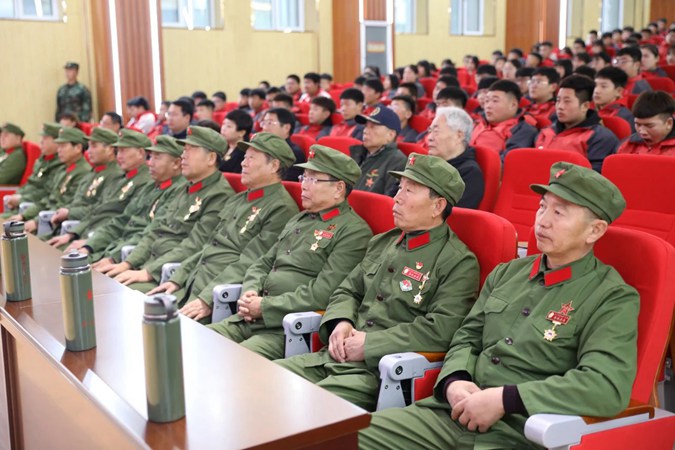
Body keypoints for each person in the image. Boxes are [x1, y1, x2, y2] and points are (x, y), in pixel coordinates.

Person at [359, 161, 637, 450]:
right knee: (339, 437)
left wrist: (506, 399)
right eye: (542, 207)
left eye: (559, 213)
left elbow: (605, 386)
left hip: (520, 431)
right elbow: (467, 337)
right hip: (449, 416)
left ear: (595, 230)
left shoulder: (611, 297)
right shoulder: (508, 273)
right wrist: (455, 380)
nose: (542, 221)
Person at [276, 153, 479, 412]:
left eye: (409, 191)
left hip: (377, 373)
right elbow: (348, 290)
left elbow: (440, 329)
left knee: (302, 408)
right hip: (331, 357)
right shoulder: (383, 242)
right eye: (399, 188)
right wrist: (341, 321)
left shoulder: (457, 261)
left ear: (437, 206)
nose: (397, 198)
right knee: (263, 381)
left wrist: (371, 344)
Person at [200, 147, 373, 355]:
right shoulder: (299, 219)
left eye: (313, 179)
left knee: (234, 359)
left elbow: (322, 294)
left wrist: (265, 306)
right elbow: (263, 262)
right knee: (197, 342)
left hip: (285, 328)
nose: (303, 185)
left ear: (338, 188)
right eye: (303, 177)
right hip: (250, 317)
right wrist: (250, 291)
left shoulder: (353, 232)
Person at [146, 133, 300, 316]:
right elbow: (208, 245)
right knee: (145, 311)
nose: (243, 163)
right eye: (244, 157)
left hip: (219, 297)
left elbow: (251, 261)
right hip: (191, 284)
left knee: (162, 324)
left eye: (251, 158)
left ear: (274, 166)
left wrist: (207, 299)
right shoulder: (238, 199)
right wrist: (178, 278)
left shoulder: (281, 208)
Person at [96, 126, 235, 288]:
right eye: (184, 149)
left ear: (211, 158)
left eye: (191, 149)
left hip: (171, 274)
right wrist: (128, 263)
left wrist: (148, 271)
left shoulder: (219, 195)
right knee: (102, 281)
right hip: (150, 263)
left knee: (113, 290)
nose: (183, 155)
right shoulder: (184, 188)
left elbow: (194, 245)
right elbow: (155, 230)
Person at [74, 136, 187, 262]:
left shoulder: (178, 191)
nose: (150, 163)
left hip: (135, 255)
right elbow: (121, 220)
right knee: (73, 260)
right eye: (150, 157)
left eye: (157, 157)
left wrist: (112, 257)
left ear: (176, 163)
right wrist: (89, 246)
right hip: (117, 246)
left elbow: (152, 233)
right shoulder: (151, 186)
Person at [47, 129, 153, 246]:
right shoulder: (121, 179)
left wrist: (90, 243)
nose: (119, 156)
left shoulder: (144, 182)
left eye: (123, 150)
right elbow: (97, 210)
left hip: (105, 242)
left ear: (140, 153)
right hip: (89, 234)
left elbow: (122, 221)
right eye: (118, 151)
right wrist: (72, 234)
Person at [46, 127, 124, 239]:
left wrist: (70, 213)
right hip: (71, 227)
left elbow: (101, 210)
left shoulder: (115, 176)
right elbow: (77, 202)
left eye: (94, 146)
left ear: (110, 150)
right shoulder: (93, 173)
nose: (88, 151)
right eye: (89, 146)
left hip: (88, 232)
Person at [11, 127, 90, 233]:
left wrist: (36, 221)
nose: (59, 150)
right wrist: (24, 216)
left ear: (78, 148)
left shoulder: (83, 173)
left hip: (58, 225)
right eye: (58, 146)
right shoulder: (63, 170)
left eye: (63, 146)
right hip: (45, 218)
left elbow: (65, 204)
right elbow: (48, 200)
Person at [535, 75, 619, 172]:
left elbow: (594, 176)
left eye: (567, 101)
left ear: (585, 106)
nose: (560, 107)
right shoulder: (546, 131)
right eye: (558, 100)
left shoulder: (600, 137)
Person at [428, 107, 484, 209]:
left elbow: (445, 214)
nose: (429, 138)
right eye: (430, 131)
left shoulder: (469, 173)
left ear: (458, 136)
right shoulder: (428, 163)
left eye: (436, 131)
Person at [2, 123, 63, 216]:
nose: (41, 141)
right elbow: (30, 183)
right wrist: (18, 195)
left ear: (57, 142)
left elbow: (47, 191)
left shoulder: (59, 164)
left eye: (45, 138)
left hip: (34, 209)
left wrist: (21, 198)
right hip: (23, 205)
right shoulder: (42, 160)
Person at [470, 80, 538, 158]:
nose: (488, 106)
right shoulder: (477, 123)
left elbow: (508, 160)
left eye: (495, 101)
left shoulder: (523, 130)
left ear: (513, 105)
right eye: (487, 101)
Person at [350, 107, 407, 195]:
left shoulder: (397, 162)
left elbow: (389, 200)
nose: (365, 131)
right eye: (366, 126)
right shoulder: (358, 154)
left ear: (390, 135)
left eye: (372, 127)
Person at [618, 91, 675, 155]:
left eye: (649, 126)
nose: (642, 132)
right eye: (638, 124)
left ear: (669, 123)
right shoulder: (628, 145)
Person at [260, 107, 306, 182]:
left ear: (286, 128)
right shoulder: (260, 148)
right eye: (264, 123)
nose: (264, 128)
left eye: (270, 123)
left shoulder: (294, 154)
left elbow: (284, 182)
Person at [592, 67, 635, 132]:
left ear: (618, 91)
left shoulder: (625, 116)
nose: (596, 91)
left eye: (603, 86)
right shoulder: (590, 111)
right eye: (595, 85)